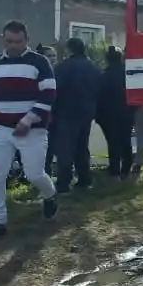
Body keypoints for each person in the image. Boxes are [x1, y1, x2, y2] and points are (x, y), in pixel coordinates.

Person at [0, 21, 59, 240]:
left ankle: (50, 195)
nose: (14, 46)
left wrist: (28, 121)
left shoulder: (39, 62)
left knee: (34, 174)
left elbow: (48, 95)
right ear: (3, 38)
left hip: (33, 130)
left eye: (18, 41)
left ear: (26, 40)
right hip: (1, 129)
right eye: (9, 41)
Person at [53, 37, 101, 193]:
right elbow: (98, 90)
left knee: (65, 147)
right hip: (86, 111)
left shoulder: (62, 68)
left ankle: (63, 182)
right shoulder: (92, 67)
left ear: (69, 49)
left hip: (66, 111)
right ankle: (84, 179)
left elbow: (55, 91)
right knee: (82, 145)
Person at [96, 46, 134, 179]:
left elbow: (98, 98)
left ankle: (115, 172)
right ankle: (126, 170)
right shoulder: (129, 75)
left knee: (113, 143)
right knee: (126, 141)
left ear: (107, 60)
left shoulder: (103, 76)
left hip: (108, 116)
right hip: (127, 113)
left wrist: (98, 116)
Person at [37, 44, 59, 175]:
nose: (52, 59)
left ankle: (48, 172)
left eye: (54, 56)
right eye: (49, 56)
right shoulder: (38, 72)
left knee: (52, 145)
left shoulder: (58, 71)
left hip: (56, 114)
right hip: (40, 114)